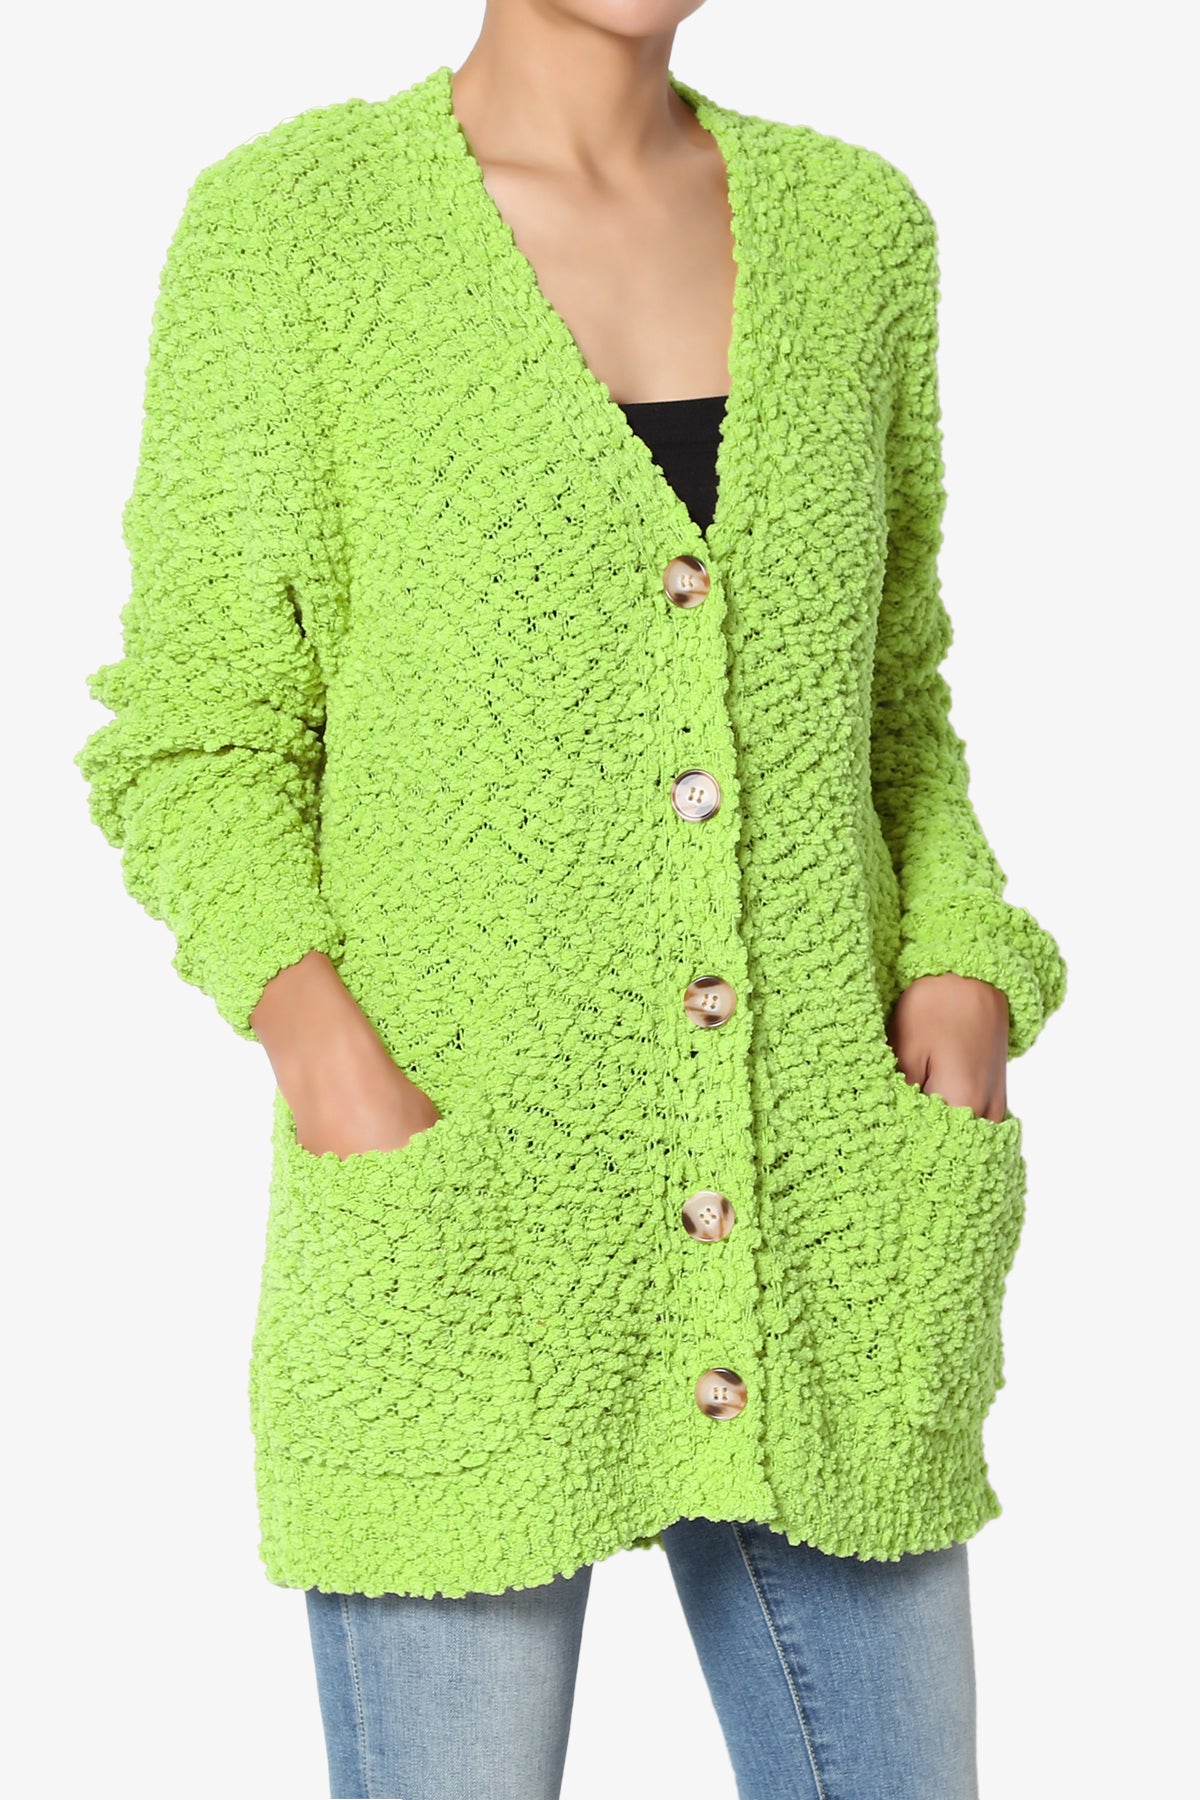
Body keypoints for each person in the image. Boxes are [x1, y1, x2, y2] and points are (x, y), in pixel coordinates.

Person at [75, 2, 1068, 1795]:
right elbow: (195, 739)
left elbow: (894, 708)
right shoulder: (292, 230)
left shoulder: (858, 231)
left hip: (826, 1220)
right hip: (461, 1220)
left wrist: (960, 966)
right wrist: (327, 1058)